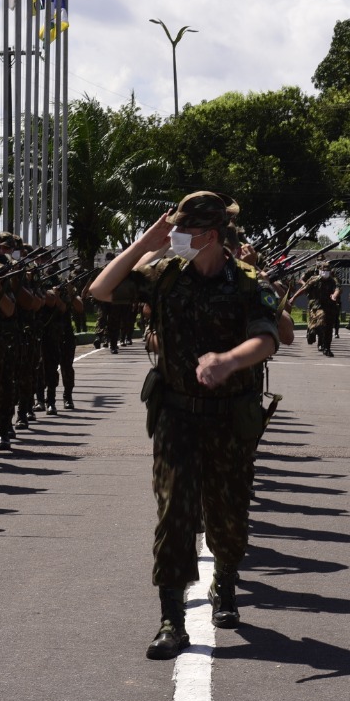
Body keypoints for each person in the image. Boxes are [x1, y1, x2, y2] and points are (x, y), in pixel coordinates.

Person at [89, 191, 281, 661]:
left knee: (228, 515)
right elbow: (101, 290)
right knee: (174, 514)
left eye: (183, 230)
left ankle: (226, 583)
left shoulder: (247, 282)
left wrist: (227, 360)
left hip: (229, 418)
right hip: (176, 415)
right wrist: (143, 243)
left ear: (211, 235)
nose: (174, 237)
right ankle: (171, 619)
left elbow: (268, 338)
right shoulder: (165, 275)